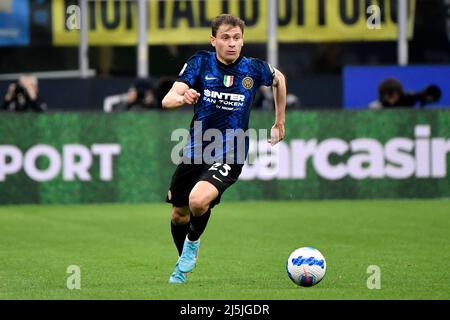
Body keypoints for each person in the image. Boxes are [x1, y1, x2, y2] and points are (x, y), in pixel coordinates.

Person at [161, 14, 286, 284]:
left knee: (198, 200)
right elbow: (167, 99)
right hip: (196, 150)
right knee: (179, 213)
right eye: (226, 38)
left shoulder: (254, 68)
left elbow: (280, 80)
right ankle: (183, 260)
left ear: (243, 41)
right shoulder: (200, 63)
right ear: (213, 40)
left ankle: (191, 248)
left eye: (237, 38)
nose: (232, 43)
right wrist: (183, 96)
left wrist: (279, 121)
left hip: (231, 151)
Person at [369, 77, 441, 110]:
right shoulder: (376, 106)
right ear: (382, 96)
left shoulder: (408, 99)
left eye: (394, 96)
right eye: (389, 96)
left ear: (399, 93)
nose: (392, 99)